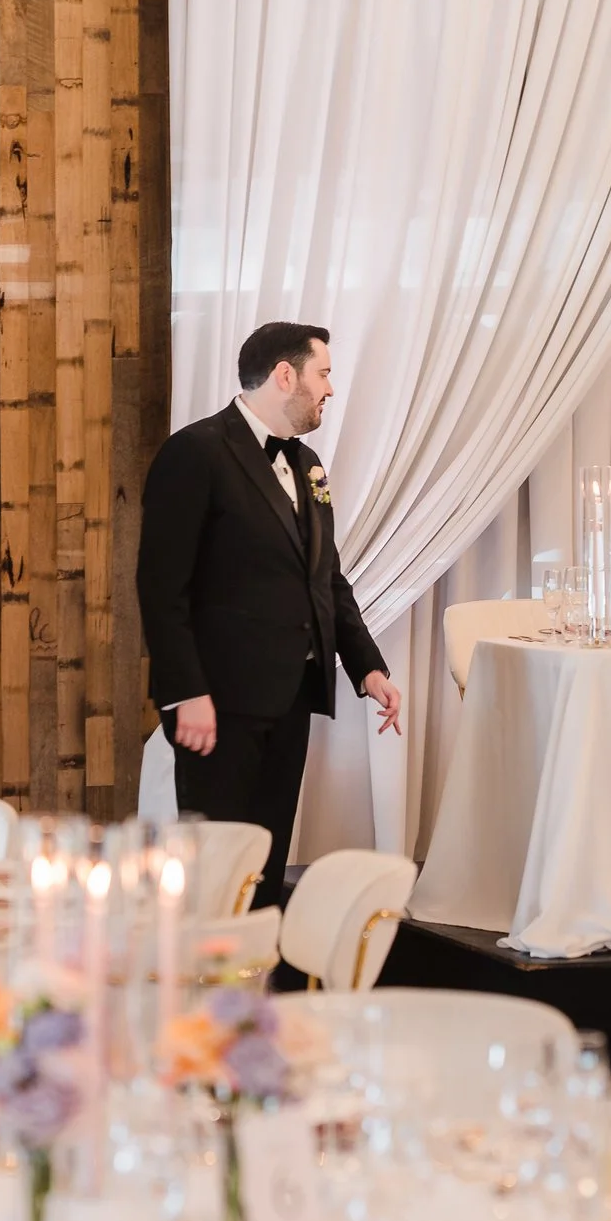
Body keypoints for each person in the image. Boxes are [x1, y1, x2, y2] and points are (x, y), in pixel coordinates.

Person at [137, 323, 401, 900]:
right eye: (322, 374)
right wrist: (185, 693)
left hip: (290, 698)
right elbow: (161, 589)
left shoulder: (308, 465)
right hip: (218, 702)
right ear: (286, 375)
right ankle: (208, 959)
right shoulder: (195, 452)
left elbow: (326, 579)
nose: (330, 388)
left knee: (266, 860)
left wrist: (367, 667)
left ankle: (259, 959)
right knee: (215, 866)